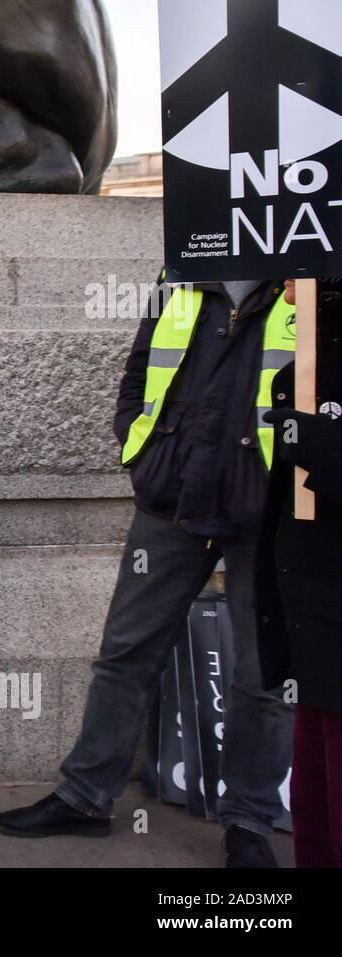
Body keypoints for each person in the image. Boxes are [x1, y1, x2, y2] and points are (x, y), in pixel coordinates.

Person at [0, 271, 296, 867]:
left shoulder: (314, 271)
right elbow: (141, 369)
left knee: (263, 678)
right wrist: (140, 444)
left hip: (268, 509)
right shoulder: (185, 263)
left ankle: (248, 824)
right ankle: (85, 798)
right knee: (125, 652)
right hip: (172, 498)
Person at [258, 277, 342, 868]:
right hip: (313, 614)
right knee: (316, 809)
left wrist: (324, 446)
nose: (286, 287)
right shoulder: (311, 356)